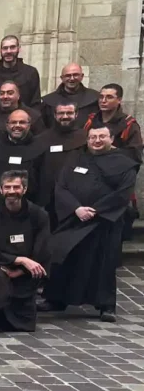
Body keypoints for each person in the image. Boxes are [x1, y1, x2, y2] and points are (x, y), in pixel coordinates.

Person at [41, 126, 136, 322]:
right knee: (63, 256)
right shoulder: (75, 158)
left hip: (104, 223)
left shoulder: (124, 163)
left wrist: (96, 211)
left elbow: (123, 194)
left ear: (111, 139)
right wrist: (76, 208)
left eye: (102, 136)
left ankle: (105, 306)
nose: (97, 140)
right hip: (74, 218)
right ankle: (56, 299)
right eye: (93, 137)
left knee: (103, 264)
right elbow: (61, 186)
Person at [0, 170, 50, 333]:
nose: (12, 191)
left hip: (27, 272)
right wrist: (20, 260)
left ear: (24, 189)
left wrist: (22, 270)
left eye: (16, 187)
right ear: (1, 190)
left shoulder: (39, 215)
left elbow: (42, 250)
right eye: (7, 187)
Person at [0, 110, 46, 210]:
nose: (17, 125)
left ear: (29, 125)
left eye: (22, 122)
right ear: (7, 125)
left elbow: (44, 179)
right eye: (13, 122)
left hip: (30, 206)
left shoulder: (40, 148)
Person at [36, 103, 89, 225]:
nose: (65, 116)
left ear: (76, 114)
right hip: (48, 197)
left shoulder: (85, 137)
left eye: (69, 113)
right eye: (61, 113)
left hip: (77, 196)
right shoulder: (41, 139)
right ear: (55, 115)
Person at [86, 83, 143, 163]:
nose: (103, 101)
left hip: (115, 166)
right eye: (101, 97)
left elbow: (135, 155)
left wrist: (111, 149)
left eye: (109, 97)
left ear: (119, 100)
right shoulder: (91, 120)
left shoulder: (128, 124)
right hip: (91, 164)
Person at [0, 35, 41, 109]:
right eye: (5, 48)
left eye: (12, 47)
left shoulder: (31, 73)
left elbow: (35, 104)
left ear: (19, 49)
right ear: (0, 51)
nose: (8, 51)